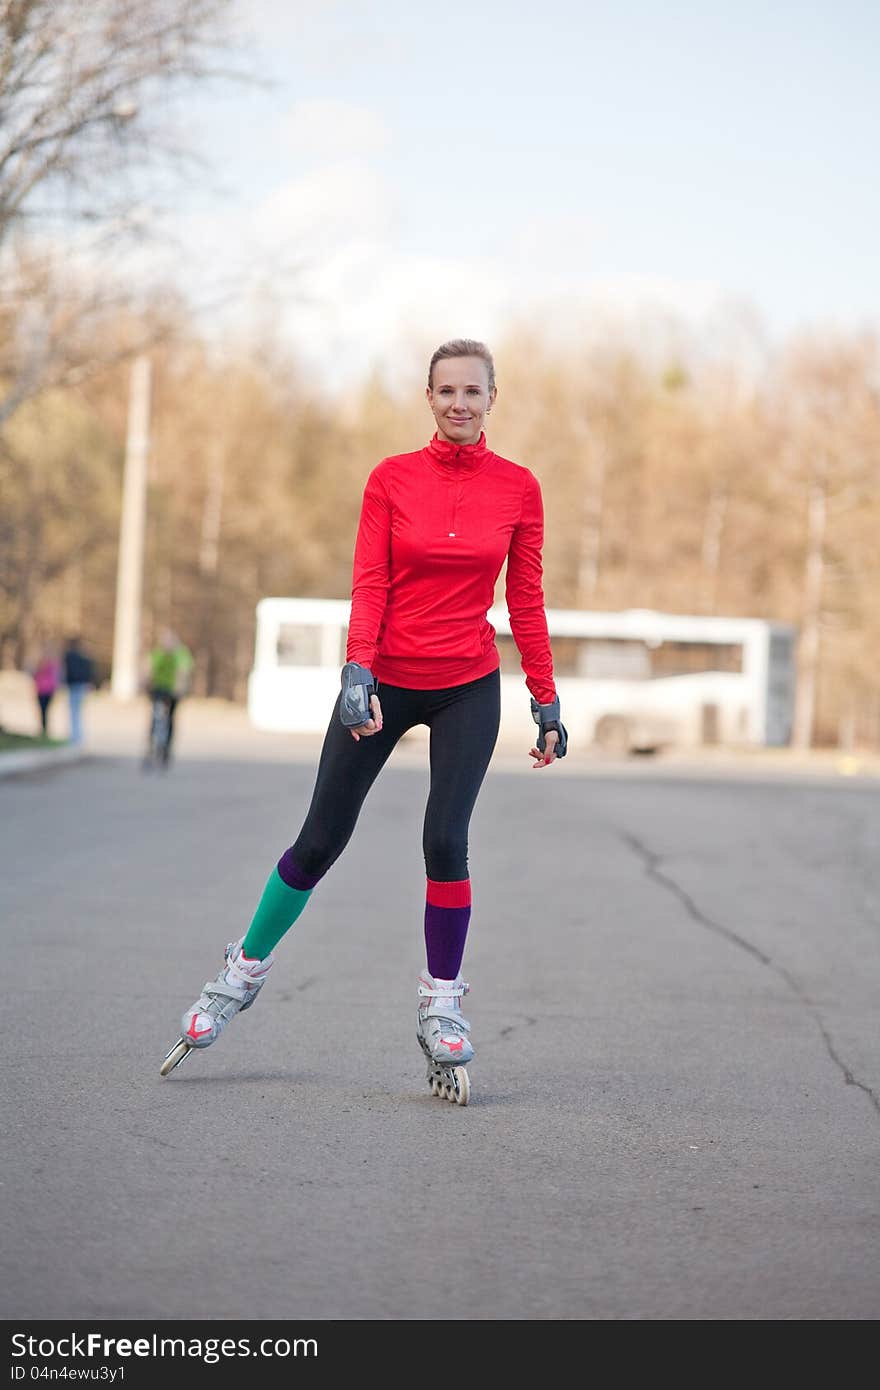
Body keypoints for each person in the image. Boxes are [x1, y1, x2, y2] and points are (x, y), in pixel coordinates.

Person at [161, 338, 568, 1104]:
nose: (459, 403)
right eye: (446, 390)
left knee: (446, 838)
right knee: (320, 839)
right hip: (385, 676)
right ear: (429, 396)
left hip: (467, 683)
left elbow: (526, 600)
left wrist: (545, 698)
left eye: (473, 392)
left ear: (491, 398)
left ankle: (440, 1003)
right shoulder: (391, 479)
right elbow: (371, 582)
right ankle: (239, 973)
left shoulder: (519, 488)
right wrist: (358, 672)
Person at [144, 628, 193, 765]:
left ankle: (167, 748)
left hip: (173, 691)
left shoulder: (181, 654)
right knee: (155, 716)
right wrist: (146, 684)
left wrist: (180, 688)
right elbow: (149, 669)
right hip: (158, 689)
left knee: (170, 718)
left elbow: (183, 671)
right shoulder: (158, 653)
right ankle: (151, 746)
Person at [63, 635, 96, 746]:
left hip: (74, 686)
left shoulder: (70, 656)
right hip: (80, 685)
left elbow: (68, 672)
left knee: (74, 712)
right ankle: (77, 736)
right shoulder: (83, 657)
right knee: (77, 712)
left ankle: (75, 737)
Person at [31, 643, 61, 737]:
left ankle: (45, 730)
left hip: (47, 690)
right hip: (42, 690)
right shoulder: (39, 663)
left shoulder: (52, 663)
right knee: (43, 710)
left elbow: (56, 677)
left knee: (45, 710)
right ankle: (43, 729)